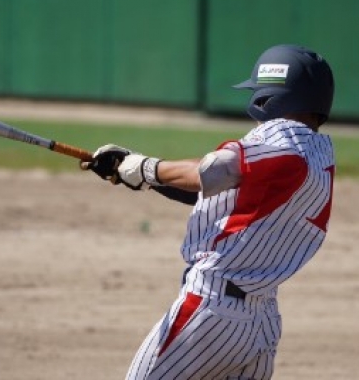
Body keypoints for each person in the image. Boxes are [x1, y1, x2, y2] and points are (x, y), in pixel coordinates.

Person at [82, 44, 336, 379]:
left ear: (271, 95)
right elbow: (221, 191)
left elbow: (214, 169)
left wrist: (145, 167)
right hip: (262, 323)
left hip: (211, 311)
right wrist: (141, 174)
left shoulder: (282, 137)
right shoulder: (318, 156)